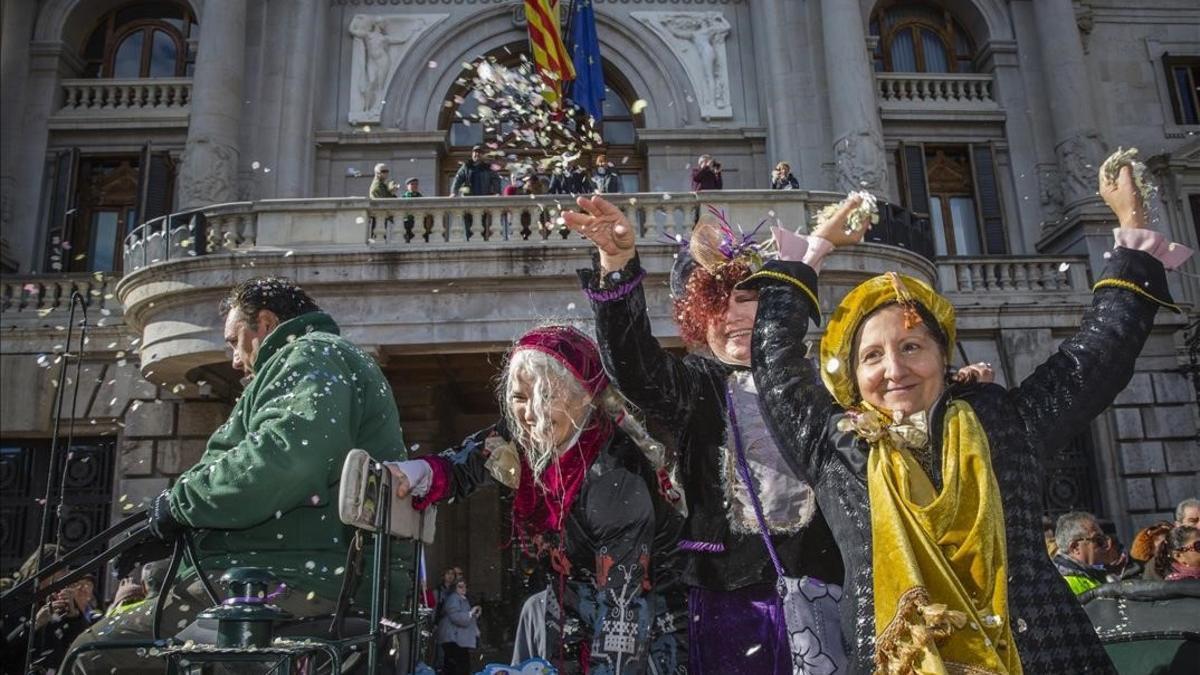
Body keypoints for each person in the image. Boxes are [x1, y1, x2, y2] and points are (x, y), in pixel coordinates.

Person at [741, 161, 1190, 673]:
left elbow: (1095, 358)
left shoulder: (1003, 421)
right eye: (872, 356)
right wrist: (815, 247)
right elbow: (775, 362)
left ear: (942, 356)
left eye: (911, 346)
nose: (894, 370)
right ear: (853, 375)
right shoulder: (835, 445)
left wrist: (1132, 232)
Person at [69, 276, 412, 673]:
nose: (233, 359)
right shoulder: (328, 359)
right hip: (305, 573)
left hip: (285, 581)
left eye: (234, 340)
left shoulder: (308, 353)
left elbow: (286, 458)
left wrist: (178, 506)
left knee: (93, 652)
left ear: (265, 324)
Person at [564, 197, 847, 674]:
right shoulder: (696, 386)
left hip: (825, 583)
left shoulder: (824, 384)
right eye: (719, 303)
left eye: (749, 298)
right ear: (699, 318)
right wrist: (616, 264)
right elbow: (634, 367)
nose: (735, 315)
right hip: (727, 595)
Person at [386, 325, 688, 675]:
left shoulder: (617, 478)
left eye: (546, 397)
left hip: (650, 626)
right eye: (519, 397)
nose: (530, 414)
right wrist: (419, 472)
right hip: (571, 612)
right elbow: (469, 460)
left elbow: (623, 610)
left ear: (585, 397)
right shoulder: (529, 435)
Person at [1053, 511, 1113, 595]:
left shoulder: (1101, 575)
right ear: (1075, 548)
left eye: (1104, 539)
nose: (1106, 545)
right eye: (1098, 540)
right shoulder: (1060, 585)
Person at [436, 578, 481, 675]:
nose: (464, 589)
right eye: (460, 587)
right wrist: (470, 613)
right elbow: (456, 617)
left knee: (458, 665)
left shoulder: (462, 599)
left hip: (458, 639)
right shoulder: (454, 598)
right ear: (454, 588)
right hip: (453, 638)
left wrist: (473, 615)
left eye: (465, 586)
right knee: (458, 665)